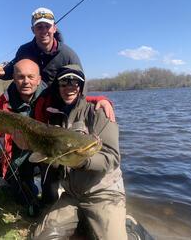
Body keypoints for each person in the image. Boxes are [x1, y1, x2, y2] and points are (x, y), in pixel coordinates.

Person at [30, 64, 127, 239]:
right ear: (58, 87)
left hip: (103, 194)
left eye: (75, 82)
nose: (69, 87)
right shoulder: (53, 117)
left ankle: (131, 229)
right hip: (71, 195)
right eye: (63, 82)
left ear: (81, 86)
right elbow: (50, 157)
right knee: (42, 237)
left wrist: (82, 161)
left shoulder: (99, 111)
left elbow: (111, 158)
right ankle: (82, 222)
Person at [0, 7, 116, 122]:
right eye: (39, 27)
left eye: (47, 26)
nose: (44, 31)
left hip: (55, 104)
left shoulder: (69, 55)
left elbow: (80, 87)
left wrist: (97, 100)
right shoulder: (24, 50)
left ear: (54, 28)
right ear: (33, 30)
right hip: (28, 104)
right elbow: (15, 72)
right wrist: (2, 73)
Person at [0, 59, 44, 214]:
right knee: (20, 197)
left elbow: (74, 100)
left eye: (31, 77)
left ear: (39, 79)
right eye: (20, 77)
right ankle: (13, 180)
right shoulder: (1, 103)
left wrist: (100, 99)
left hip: (44, 149)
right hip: (16, 153)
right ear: (13, 78)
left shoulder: (50, 96)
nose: (26, 81)